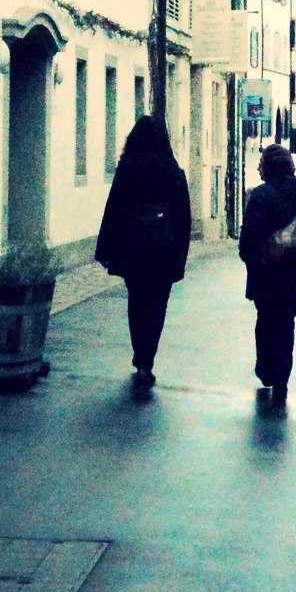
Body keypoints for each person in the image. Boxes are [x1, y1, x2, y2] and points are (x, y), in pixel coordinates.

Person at [95, 115, 192, 391]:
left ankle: (140, 358)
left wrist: (106, 248)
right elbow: (183, 217)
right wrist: (180, 252)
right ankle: (147, 360)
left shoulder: (128, 168)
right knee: (157, 304)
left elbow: (113, 209)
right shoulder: (173, 171)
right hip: (164, 249)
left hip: (133, 248)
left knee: (137, 301)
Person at [237, 143, 296, 403]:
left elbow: (250, 235)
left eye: (261, 163)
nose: (258, 167)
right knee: (286, 327)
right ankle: (282, 377)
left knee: (266, 323)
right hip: (294, 276)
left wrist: (252, 260)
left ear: (269, 168)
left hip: (266, 275)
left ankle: (267, 371)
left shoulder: (262, 195)